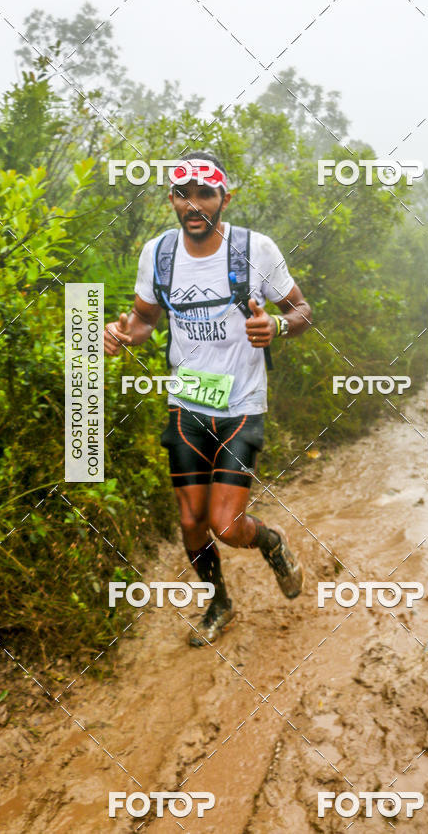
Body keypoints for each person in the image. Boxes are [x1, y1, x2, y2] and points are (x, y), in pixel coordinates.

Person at [103, 151, 312, 646]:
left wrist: (277, 326)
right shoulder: (158, 253)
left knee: (225, 523)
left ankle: (271, 542)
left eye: (205, 194)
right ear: (172, 199)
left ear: (224, 198)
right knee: (190, 520)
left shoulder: (254, 249)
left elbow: (301, 310)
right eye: (183, 194)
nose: (193, 205)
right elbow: (145, 322)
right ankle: (219, 601)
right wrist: (120, 332)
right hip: (187, 401)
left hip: (241, 404)